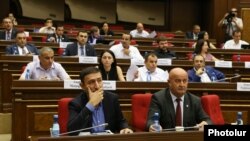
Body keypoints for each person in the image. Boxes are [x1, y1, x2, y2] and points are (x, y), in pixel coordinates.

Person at [67, 67, 133, 135]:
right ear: (82, 86)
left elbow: (121, 121)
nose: (97, 86)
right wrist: (90, 105)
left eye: (99, 80)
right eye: (91, 82)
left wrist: (125, 128)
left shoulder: (112, 99)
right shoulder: (76, 103)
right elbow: (71, 130)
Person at [146, 67, 212, 132]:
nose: (182, 84)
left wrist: (205, 124)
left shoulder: (194, 100)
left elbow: (208, 120)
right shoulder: (158, 98)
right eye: (178, 81)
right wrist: (153, 126)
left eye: (184, 81)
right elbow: (151, 120)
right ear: (169, 82)